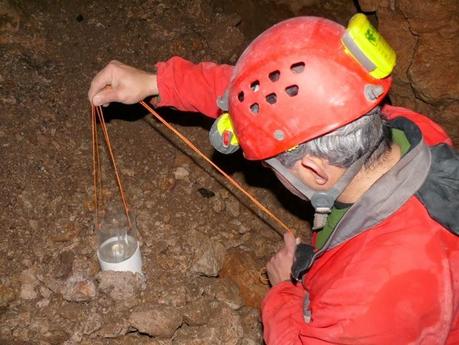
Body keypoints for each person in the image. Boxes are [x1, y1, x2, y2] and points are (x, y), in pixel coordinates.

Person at [88, 15, 459, 345]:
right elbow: (274, 95)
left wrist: (284, 291)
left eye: (271, 166)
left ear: (314, 170)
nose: (268, 172)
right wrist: (156, 83)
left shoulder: (375, 300)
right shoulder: (407, 131)